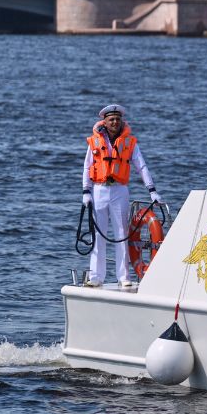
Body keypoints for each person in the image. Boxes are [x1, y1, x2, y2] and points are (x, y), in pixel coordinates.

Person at [82, 104, 161, 288]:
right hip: (99, 190)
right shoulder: (94, 141)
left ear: (121, 121)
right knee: (98, 234)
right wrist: (86, 191)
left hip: (120, 190)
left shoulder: (130, 142)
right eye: (111, 119)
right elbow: (87, 167)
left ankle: (123, 276)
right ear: (105, 121)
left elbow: (141, 166)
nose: (115, 122)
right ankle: (95, 276)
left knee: (121, 234)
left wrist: (152, 190)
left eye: (117, 119)